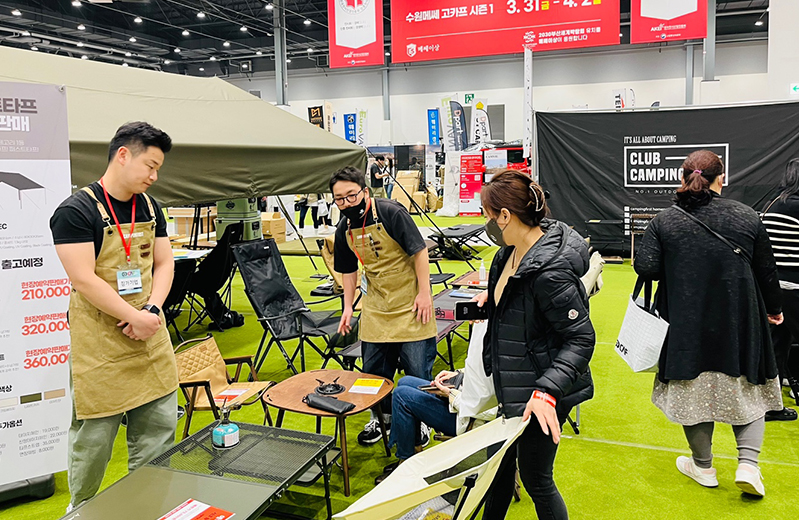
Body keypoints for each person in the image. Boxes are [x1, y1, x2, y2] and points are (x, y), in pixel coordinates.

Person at [635, 150, 783, 498]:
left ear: (682, 178)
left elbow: (647, 267)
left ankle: (703, 466)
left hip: (686, 321)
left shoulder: (664, 221)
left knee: (692, 390)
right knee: (749, 385)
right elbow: (766, 269)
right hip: (741, 319)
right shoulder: (746, 216)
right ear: (722, 178)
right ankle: (749, 465)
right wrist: (775, 309)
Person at [50, 122, 178, 511]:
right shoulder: (75, 211)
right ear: (123, 155)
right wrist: (132, 317)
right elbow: (83, 278)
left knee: (158, 431)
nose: (154, 177)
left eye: (158, 169)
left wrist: (152, 310)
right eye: (150, 166)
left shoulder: (150, 207)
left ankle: (147, 507)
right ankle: (81, 510)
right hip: (100, 343)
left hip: (150, 335)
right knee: (93, 440)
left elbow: (164, 262)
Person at [478, 169, 595, 520]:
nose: (486, 224)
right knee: (497, 469)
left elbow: (581, 337)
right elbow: (520, 305)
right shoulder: (506, 255)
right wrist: (493, 302)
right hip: (512, 385)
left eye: (488, 215)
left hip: (541, 394)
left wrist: (546, 392)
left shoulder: (551, 272)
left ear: (504, 216)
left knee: (536, 479)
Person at [332, 166, 437, 446]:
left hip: (411, 302)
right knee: (373, 372)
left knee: (417, 371)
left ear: (365, 191)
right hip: (376, 306)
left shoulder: (391, 212)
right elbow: (348, 270)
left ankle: (422, 421)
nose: (346, 203)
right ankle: (381, 419)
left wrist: (424, 293)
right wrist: (347, 307)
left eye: (351, 196)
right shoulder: (344, 228)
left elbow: (419, 251)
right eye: (339, 199)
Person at [375, 320, 497, 484]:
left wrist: (450, 394)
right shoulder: (488, 330)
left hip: (468, 419)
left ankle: (405, 463)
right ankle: (414, 452)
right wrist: (456, 375)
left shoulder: (502, 350)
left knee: (401, 395)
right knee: (405, 382)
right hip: (461, 399)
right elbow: (479, 371)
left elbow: (491, 411)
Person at [761, 158, 799, 419]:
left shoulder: (772, 204)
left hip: (773, 287)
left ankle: (771, 403)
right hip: (794, 287)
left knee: (777, 344)